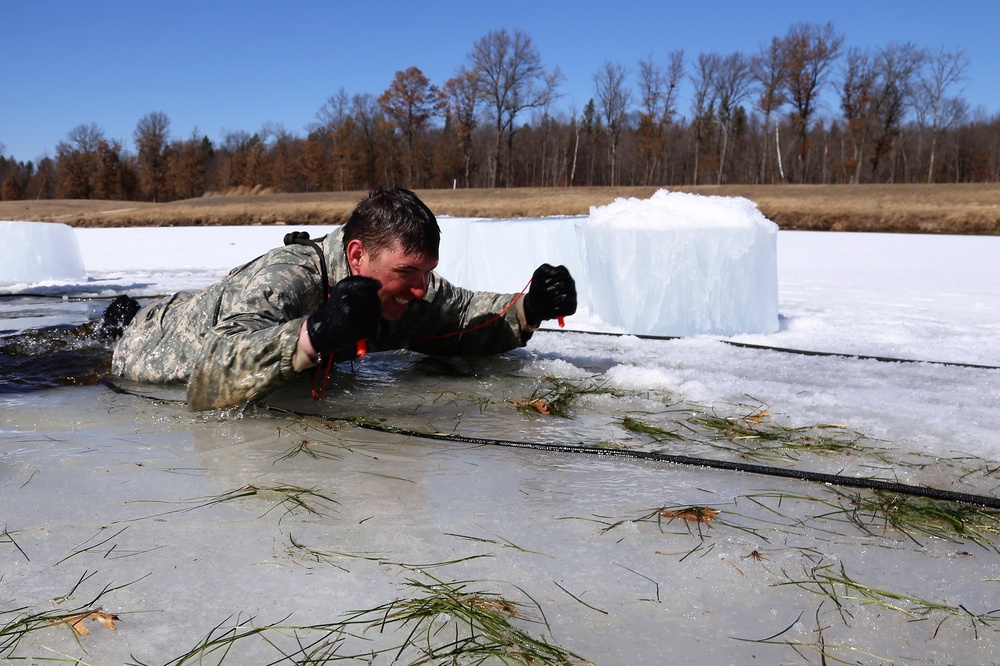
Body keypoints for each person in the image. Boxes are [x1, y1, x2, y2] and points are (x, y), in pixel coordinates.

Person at [111, 187, 577, 411]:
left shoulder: (406, 288)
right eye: (407, 272)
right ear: (358, 255)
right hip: (151, 341)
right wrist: (314, 335)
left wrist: (528, 307)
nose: (419, 289)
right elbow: (210, 373)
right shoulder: (289, 277)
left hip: (216, 312)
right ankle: (120, 317)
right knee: (108, 335)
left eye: (426, 272)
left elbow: (461, 316)